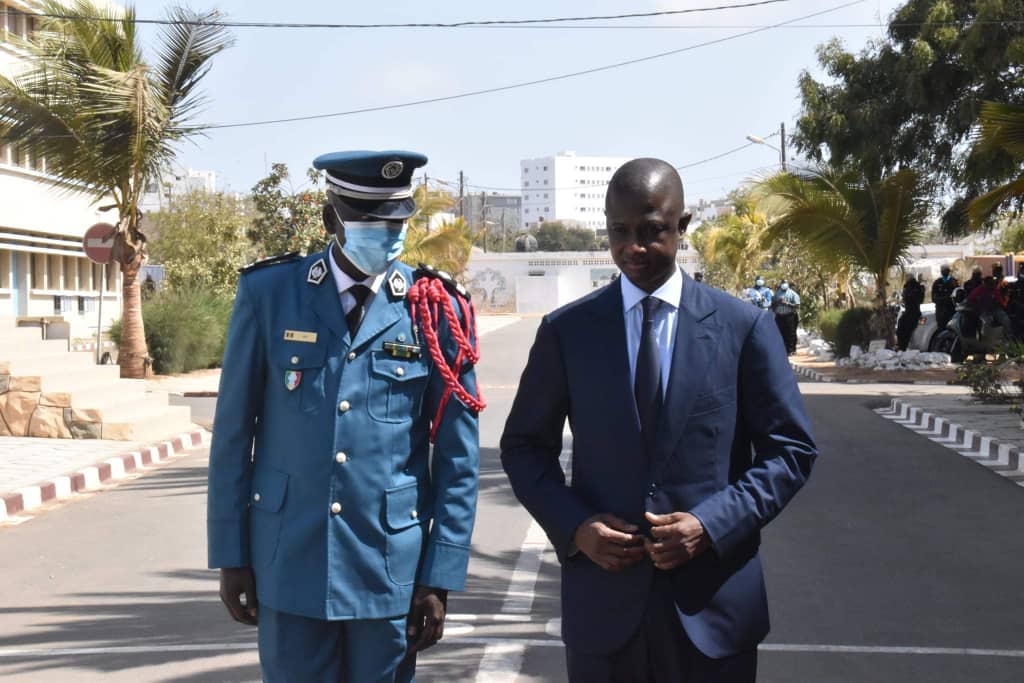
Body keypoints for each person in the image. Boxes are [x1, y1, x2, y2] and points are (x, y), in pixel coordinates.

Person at [500, 158, 817, 683]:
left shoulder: (744, 329)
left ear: (683, 226)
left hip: (712, 609)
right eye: (619, 232)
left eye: (651, 232)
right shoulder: (568, 332)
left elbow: (791, 451)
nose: (633, 248)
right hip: (604, 610)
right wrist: (577, 529)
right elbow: (524, 446)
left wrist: (709, 525)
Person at [207, 150, 482, 682]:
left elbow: (456, 455)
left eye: (396, 219)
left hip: (389, 568)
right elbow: (233, 436)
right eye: (367, 218)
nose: (385, 231)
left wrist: (439, 576)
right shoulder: (270, 295)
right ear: (331, 218)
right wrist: (230, 553)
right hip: (288, 562)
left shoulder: (434, 307)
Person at [896, 273, 925, 351]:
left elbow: (913, 298)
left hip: (912, 312)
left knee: (905, 329)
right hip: (910, 311)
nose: (905, 279)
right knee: (902, 325)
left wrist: (906, 299)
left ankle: (902, 347)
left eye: (906, 277)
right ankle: (901, 346)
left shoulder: (913, 286)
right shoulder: (911, 286)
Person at [772, 279, 801, 355]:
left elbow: (797, 305)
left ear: (788, 284)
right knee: (780, 333)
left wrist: (787, 303)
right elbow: (773, 305)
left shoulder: (793, 294)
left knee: (790, 333)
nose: (784, 284)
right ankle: (783, 350)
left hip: (790, 316)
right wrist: (778, 302)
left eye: (785, 283)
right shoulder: (777, 293)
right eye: (782, 283)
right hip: (779, 316)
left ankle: (791, 350)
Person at [931, 265, 959, 333]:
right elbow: (934, 298)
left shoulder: (954, 282)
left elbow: (958, 296)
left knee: (952, 331)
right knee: (941, 331)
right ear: (941, 272)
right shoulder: (937, 282)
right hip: (940, 311)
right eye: (943, 271)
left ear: (949, 271)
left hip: (951, 311)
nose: (944, 272)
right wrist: (945, 298)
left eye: (946, 270)